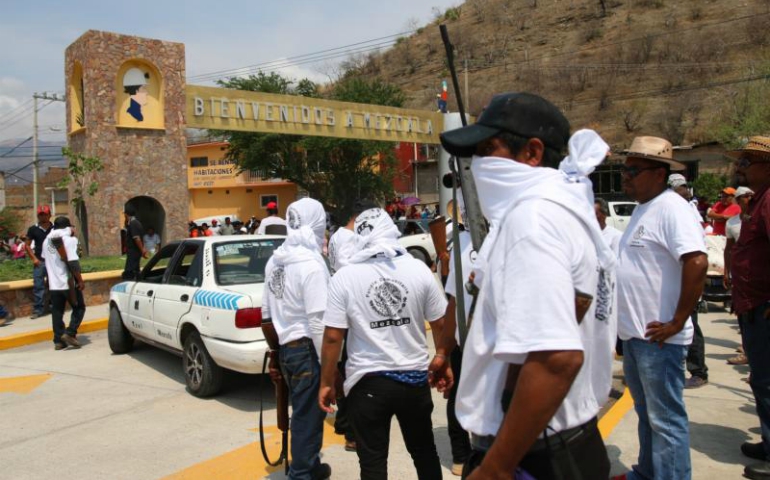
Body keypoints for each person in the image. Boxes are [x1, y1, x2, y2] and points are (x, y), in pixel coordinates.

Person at [435, 92, 617, 480]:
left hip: (535, 454)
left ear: (532, 153)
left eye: (488, 149)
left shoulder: (533, 219)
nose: (478, 165)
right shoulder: (566, 208)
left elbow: (555, 359)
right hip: (567, 440)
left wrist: (497, 467)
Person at [319, 207, 448, 480]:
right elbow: (440, 322)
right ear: (392, 230)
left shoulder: (345, 276)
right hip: (414, 380)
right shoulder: (418, 269)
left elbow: (333, 336)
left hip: (367, 384)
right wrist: (443, 357)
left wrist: (327, 382)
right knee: (424, 452)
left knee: (373, 461)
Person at [615, 136, 707, 480]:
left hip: (660, 340)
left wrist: (677, 320)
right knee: (647, 414)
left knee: (666, 420)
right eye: (624, 169)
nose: (625, 176)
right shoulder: (644, 207)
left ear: (659, 173)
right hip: (637, 337)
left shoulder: (671, 208)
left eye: (633, 170)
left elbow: (696, 261)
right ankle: (647, 472)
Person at [262, 198, 331, 480]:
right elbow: (317, 322)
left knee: (304, 413)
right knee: (307, 416)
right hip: (307, 349)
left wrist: (276, 354)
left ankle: (309, 466)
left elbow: (267, 314)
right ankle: (301, 474)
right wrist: (330, 367)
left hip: (288, 349)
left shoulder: (275, 260)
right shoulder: (311, 264)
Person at [725, 136, 770, 480]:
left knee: (767, 382)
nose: (739, 168)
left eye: (745, 162)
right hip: (752, 304)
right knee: (762, 380)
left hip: (764, 308)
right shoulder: (757, 201)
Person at [668, 174, 711, 389]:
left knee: (690, 325)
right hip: (680, 280)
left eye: (683, 187)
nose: (683, 191)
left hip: (688, 280)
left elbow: (696, 257)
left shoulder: (686, 211)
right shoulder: (679, 208)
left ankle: (698, 371)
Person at [42, 217, 85, 350]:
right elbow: (72, 262)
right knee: (79, 307)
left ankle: (58, 341)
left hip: (54, 284)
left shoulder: (46, 241)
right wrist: (80, 279)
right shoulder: (68, 239)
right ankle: (70, 333)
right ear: (67, 227)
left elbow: (46, 259)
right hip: (67, 282)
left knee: (57, 311)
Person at [724, 186, 753, 367]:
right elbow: (728, 249)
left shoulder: (760, 218)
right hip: (741, 276)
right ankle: (747, 352)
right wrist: (727, 271)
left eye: (751, 196)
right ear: (739, 199)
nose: (748, 200)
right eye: (745, 197)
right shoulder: (732, 223)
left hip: (760, 276)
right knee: (742, 315)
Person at [23, 205, 53, 318]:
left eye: (45, 214)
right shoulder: (33, 229)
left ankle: (52, 307)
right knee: (38, 286)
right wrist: (34, 259)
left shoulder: (54, 228)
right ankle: (38, 310)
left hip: (53, 262)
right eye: (41, 214)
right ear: (38, 216)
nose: (43, 216)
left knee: (52, 285)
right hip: (39, 261)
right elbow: (27, 246)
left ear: (50, 215)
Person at [122, 205, 147, 280]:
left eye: (124, 214)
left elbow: (137, 238)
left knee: (129, 271)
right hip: (134, 252)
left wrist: (142, 250)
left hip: (134, 252)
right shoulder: (134, 223)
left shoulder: (133, 223)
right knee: (136, 270)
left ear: (126, 214)